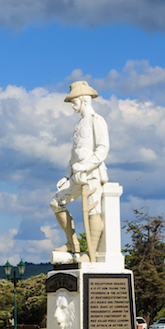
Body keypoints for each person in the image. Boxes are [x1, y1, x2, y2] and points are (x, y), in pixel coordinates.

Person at [50, 80, 109, 260]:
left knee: (93, 210)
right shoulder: (79, 124)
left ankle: (92, 253)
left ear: (84, 98)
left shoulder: (96, 120)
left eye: (74, 100)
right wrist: (68, 176)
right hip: (76, 174)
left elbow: (102, 148)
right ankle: (72, 243)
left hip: (91, 173)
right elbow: (74, 154)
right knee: (56, 202)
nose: (72, 104)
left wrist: (85, 166)